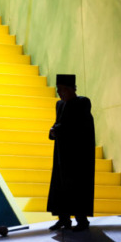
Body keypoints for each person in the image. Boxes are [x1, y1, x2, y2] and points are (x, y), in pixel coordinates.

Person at [47, 74, 96, 232]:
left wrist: (58, 130)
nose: (60, 93)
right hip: (62, 154)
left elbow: (77, 125)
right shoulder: (60, 104)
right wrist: (53, 131)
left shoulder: (82, 102)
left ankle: (82, 220)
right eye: (58, 90)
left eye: (62, 90)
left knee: (77, 186)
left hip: (77, 155)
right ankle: (64, 219)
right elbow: (58, 123)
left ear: (71, 89)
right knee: (60, 186)